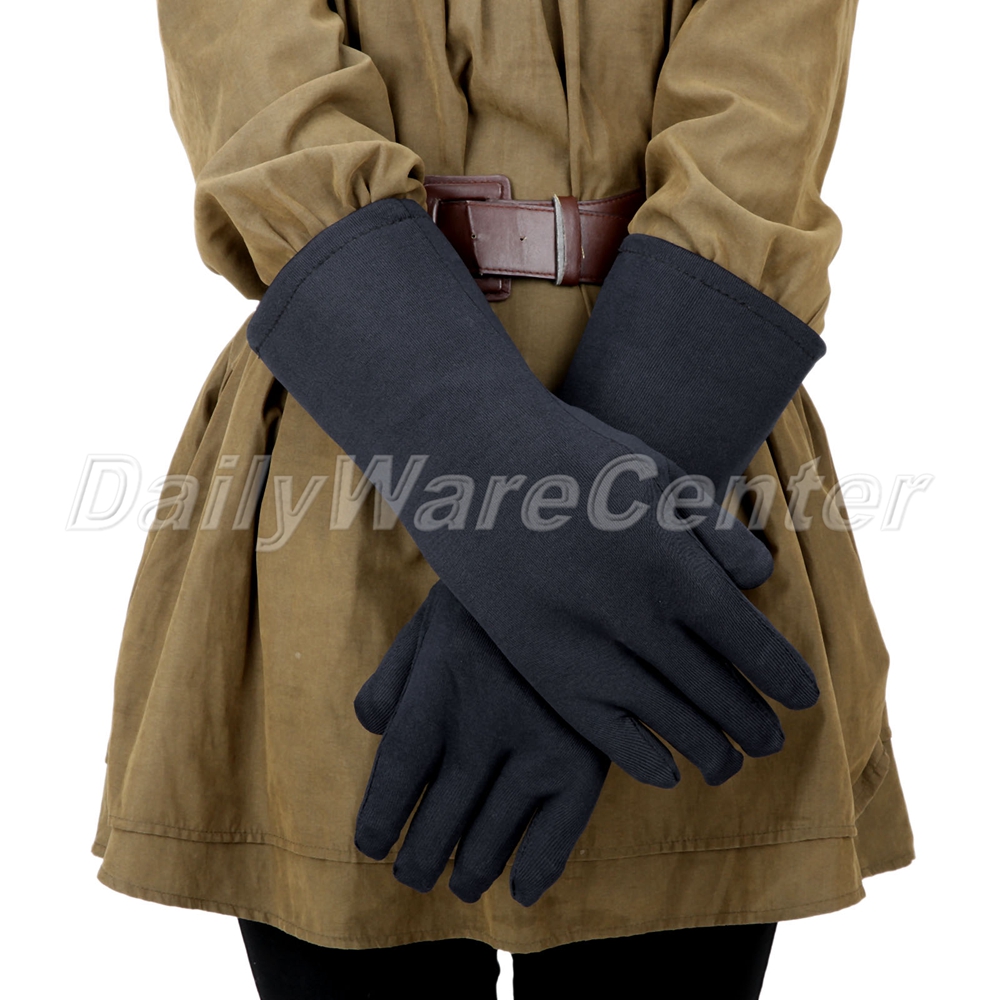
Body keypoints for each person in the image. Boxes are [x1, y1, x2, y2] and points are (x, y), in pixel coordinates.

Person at [91, 1, 914, 997]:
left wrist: (567, 572)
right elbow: (268, 114)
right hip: (360, 448)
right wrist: (565, 544)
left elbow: (757, 147)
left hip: (683, 446)